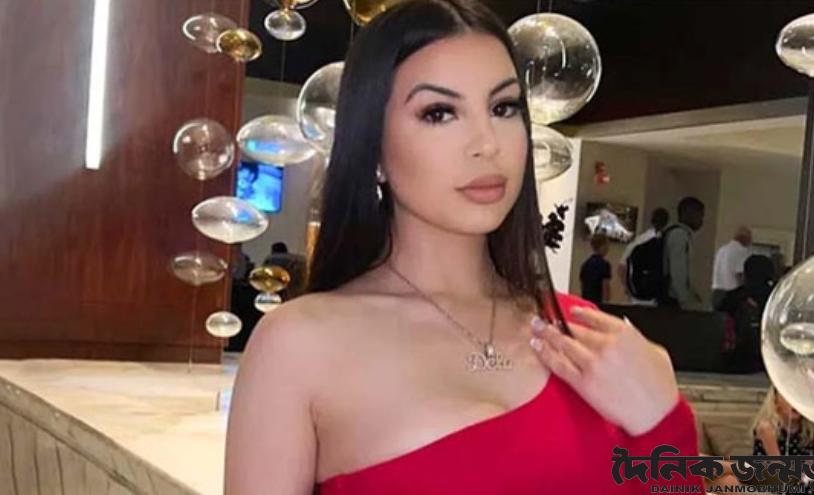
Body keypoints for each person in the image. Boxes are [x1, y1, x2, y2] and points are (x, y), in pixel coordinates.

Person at [225, 1, 703, 494]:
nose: (486, 143)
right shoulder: (299, 345)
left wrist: (664, 421)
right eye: (439, 113)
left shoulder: (586, 335)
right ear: (373, 148)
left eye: (503, 108)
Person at [716, 255, 774, 373]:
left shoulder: (733, 297)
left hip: (737, 357)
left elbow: (719, 320)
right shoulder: (775, 297)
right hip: (768, 358)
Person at [619, 207, 669, 305]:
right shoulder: (664, 242)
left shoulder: (640, 240)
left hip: (638, 294)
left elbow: (621, 267)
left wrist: (628, 289)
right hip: (654, 295)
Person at [662, 196, 705, 309]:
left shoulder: (673, 233)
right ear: (689, 213)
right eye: (700, 215)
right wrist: (684, 300)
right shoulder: (680, 235)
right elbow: (678, 271)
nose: (701, 220)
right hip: (672, 300)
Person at [711, 226, 752, 309]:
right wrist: (746, 295)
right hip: (731, 294)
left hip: (716, 293)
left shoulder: (722, 250)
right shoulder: (741, 251)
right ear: (745, 239)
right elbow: (740, 274)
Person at [579, 233, 611, 306]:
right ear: (602, 246)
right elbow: (605, 286)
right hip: (598, 302)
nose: (608, 248)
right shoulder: (604, 264)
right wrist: (606, 304)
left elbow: (582, 285)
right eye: (607, 245)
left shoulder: (585, 264)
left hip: (586, 302)